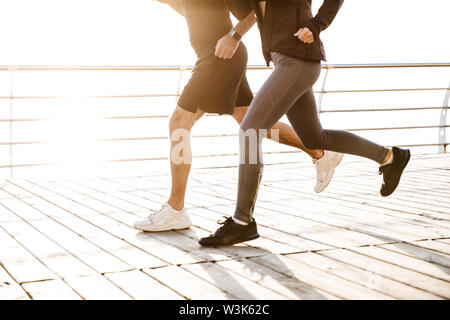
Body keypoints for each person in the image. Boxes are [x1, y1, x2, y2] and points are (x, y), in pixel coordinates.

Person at [200, 0, 411, 246]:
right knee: (315, 139)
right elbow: (249, 13)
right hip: (287, 61)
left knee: (249, 130)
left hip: (297, 58)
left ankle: (242, 221)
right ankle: (390, 157)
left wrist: (316, 25)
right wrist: (234, 35)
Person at [133, 0, 343, 232]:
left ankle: (175, 209)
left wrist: (234, 36)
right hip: (217, 56)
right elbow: (186, 9)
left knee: (179, 121)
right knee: (249, 120)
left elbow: (256, 12)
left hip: (219, 56)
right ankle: (320, 152)